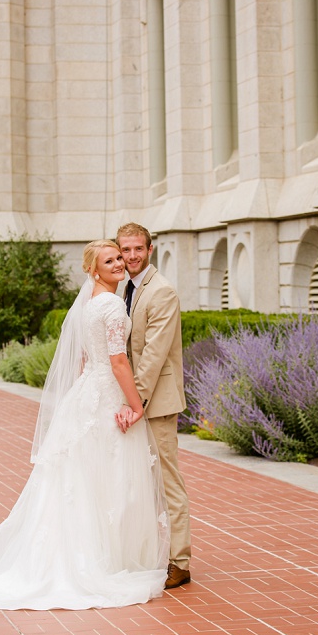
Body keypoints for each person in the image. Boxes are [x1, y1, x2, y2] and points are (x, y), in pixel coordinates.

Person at [0, 240, 169, 610]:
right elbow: (118, 363)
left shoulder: (88, 304)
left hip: (87, 393)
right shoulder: (110, 304)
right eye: (108, 260)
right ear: (93, 270)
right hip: (107, 393)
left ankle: (83, 552)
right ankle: (106, 559)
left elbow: (82, 358)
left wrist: (84, 395)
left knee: (82, 475)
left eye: (118, 258)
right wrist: (135, 404)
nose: (118, 264)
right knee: (109, 475)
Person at [116, 222, 191, 589]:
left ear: (150, 249)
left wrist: (136, 403)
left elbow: (153, 356)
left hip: (154, 403)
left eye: (137, 249)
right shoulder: (123, 288)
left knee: (167, 481)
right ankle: (148, 554)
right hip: (134, 401)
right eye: (125, 250)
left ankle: (180, 561)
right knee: (137, 481)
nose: (131, 256)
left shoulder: (161, 292)